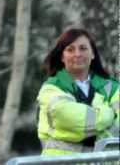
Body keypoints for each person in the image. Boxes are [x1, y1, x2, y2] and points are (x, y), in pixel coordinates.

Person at [37, 28, 119, 156]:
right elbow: (74, 120)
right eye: (70, 49)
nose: (77, 54)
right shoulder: (50, 89)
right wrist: (107, 115)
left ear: (92, 54)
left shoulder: (112, 87)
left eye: (83, 48)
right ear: (62, 57)